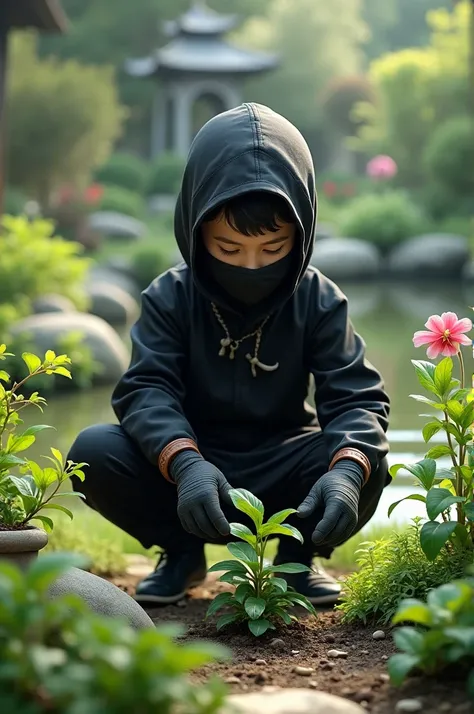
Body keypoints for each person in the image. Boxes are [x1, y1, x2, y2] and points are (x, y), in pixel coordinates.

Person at [68, 103, 390, 608]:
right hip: (191, 470)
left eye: (273, 248)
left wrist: (348, 473)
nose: (252, 265)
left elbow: (357, 399)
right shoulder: (168, 296)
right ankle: (180, 554)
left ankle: (298, 559)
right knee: (92, 453)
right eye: (228, 249)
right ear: (196, 229)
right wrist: (186, 462)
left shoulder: (319, 299)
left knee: (366, 459)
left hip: (287, 464)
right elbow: (145, 389)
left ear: (300, 231)